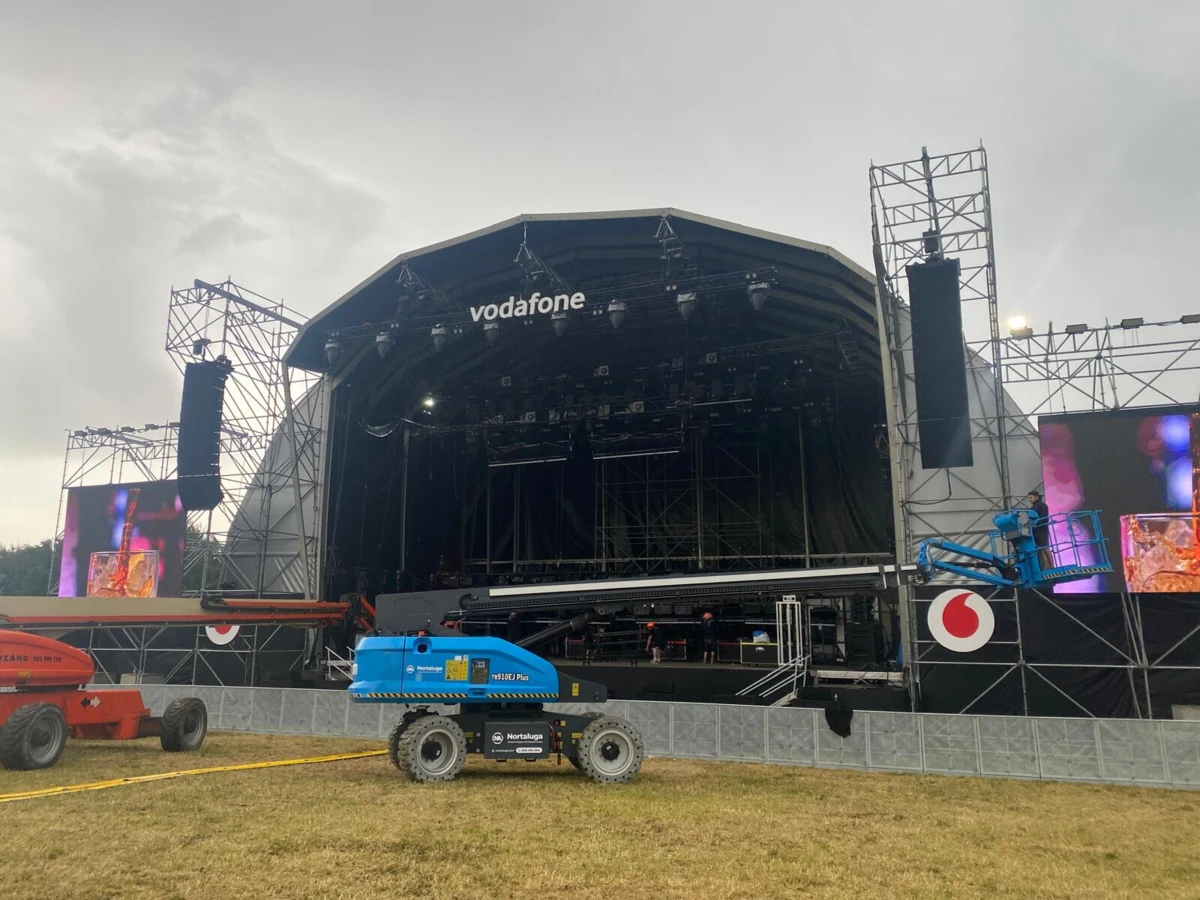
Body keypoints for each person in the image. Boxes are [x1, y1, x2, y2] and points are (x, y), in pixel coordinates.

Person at [1027, 490, 1053, 572]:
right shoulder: (1033, 508)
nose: (1029, 500)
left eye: (1031, 497)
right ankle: (1041, 568)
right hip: (1035, 531)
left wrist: (1038, 524)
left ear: (1036, 497)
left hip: (1042, 530)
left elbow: (1044, 518)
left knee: (1046, 549)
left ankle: (1052, 566)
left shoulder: (1042, 505)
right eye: (1028, 498)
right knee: (1038, 550)